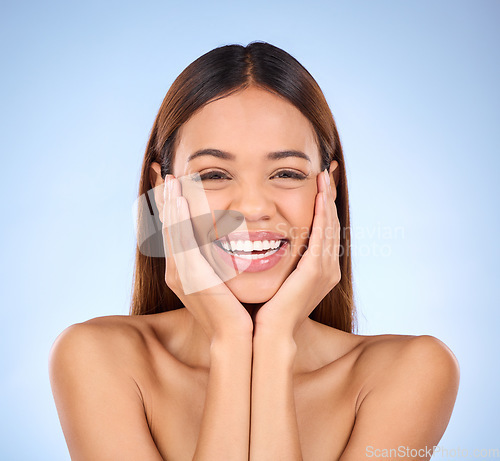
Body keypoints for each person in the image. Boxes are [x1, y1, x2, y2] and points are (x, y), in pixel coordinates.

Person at [49, 41, 460, 460]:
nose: (252, 208)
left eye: (285, 172)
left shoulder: (410, 372)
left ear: (328, 187)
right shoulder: (97, 359)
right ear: (162, 191)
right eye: (213, 174)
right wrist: (230, 341)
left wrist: (276, 339)